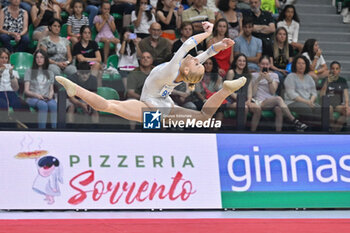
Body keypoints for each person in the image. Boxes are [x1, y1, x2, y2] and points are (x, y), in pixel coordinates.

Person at [56, 21, 247, 126]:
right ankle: (225, 91)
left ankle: (76, 90)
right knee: (204, 118)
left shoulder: (174, 67)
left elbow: (189, 44)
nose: (196, 58)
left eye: (196, 62)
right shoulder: (185, 70)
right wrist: (219, 46)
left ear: (188, 69)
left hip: (153, 109)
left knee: (108, 106)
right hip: (165, 107)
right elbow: (206, 54)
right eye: (197, 61)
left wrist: (207, 33)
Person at [251, 55, 308, 131]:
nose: (265, 66)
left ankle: (278, 132)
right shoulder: (253, 75)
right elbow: (253, 93)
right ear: (259, 64)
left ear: (269, 65)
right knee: (278, 99)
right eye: (262, 64)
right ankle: (294, 121)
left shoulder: (274, 75)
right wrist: (258, 80)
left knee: (279, 109)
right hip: (259, 102)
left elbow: (273, 92)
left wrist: (269, 80)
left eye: (267, 64)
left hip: (270, 100)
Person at [226, 53, 261, 131]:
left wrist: (248, 100)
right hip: (232, 100)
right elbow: (228, 90)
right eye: (239, 61)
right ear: (235, 62)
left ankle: (253, 131)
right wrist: (240, 100)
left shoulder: (248, 75)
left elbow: (249, 90)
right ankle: (241, 131)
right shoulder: (231, 72)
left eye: (244, 61)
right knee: (244, 108)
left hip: (244, 100)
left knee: (257, 108)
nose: (242, 63)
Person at [24, 49, 57, 129]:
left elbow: (51, 89)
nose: (39, 59)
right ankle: (42, 130)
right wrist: (37, 95)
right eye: (37, 57)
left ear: (45, 59)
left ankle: (54, 129)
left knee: (53, 104)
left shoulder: (50, 72)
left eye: (41, 57)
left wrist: (50, 95)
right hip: (32, 98)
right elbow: (26, 91)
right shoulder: (29, 71)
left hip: (46, 98)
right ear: (35, 59)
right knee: (43, 105)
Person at [284, 55, 321, 124]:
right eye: (299, 63)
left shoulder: (309, 77)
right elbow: (292, 95)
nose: (301, 65)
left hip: (307, 102)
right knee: (307, 109)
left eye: (303, 63)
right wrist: (307, 102)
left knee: (320, 109)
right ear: (295, 65)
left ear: (306, 65)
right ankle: (307, 132)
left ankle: (318, 132)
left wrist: (311, 101)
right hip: (292, 102)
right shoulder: (290, 77)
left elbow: (314, 92)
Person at [193, 57, 225, 123]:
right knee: (208, 108)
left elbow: (219, 91)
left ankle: (215, 130)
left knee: (221, 108)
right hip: (200, 99)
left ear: (213, 66)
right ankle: (208, 130)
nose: (208, 66)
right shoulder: (198, 75)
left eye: (210, 64)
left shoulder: (217, 77)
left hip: (213, 100)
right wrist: (205, 100)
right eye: (206, 63)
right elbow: (197, 92)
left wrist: (218, 81)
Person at [126, 51, 153, 129]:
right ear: (140, 60)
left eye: (148, 57)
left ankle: (155, 131)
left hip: (153, 99)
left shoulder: (157, 72)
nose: (145, 59)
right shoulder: (134, 73)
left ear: (152, 60)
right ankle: (133, 130)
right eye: (143, 57)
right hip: (138, 98)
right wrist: (143, 99)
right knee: (131, 102)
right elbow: (130, 92)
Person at [320, 61, 350, 132]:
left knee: (348, 111)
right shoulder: (325, 79)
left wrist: (346, 105)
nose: (335, 70)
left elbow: (346, 95)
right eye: (333, 68)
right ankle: (335, 130)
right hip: (327, 104)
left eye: (337, 69)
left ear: (339, 70)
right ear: (330, 69)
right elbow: (321, 95)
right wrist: (327, 82)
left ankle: (334, 130)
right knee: (329, 108)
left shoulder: (342, 80)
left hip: (337, 105)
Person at [94, 1, 120, 66]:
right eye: (105, 9)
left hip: (109, 35)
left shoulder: (111, 18)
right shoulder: (97, 17)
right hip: (101, 35)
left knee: (118, 41)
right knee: (107, 41)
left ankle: (118, 57)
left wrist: (108, 20)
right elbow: (98, 29)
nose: (106, 11)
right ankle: (105, 61)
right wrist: (104, 20)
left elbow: (114, 30)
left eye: (108, 9)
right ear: (101, 9)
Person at [269, 27, 294, 94]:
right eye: (280, 34)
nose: (282, 36)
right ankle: (278, 94)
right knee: (279, 76)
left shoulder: (290, 47)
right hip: (275, 70)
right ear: (276, 35)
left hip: (286, 70)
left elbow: (290, 63)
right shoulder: (271, 47)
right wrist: (280, 70)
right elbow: (270, 65)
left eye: (284, 34)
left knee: (292, 76)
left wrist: (287, 71)